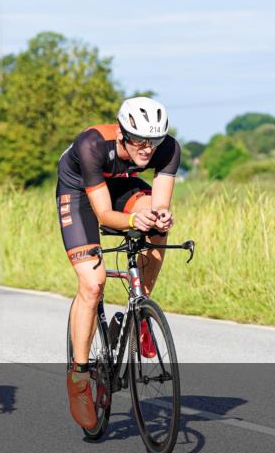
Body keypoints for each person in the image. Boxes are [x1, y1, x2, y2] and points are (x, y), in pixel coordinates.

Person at [55, 97, 181, 429]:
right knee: (93, 284)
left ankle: (141, 311)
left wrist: (160, 216)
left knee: (155, 220)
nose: (147, 149)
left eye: (154, 141)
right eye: (140, 140)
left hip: (123, 186)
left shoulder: (168, 148)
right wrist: (131, 222)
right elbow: (104, 214)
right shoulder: (93, 144)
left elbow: (161, 200)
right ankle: (79, 377)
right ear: (122, 133)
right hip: (81, 192)